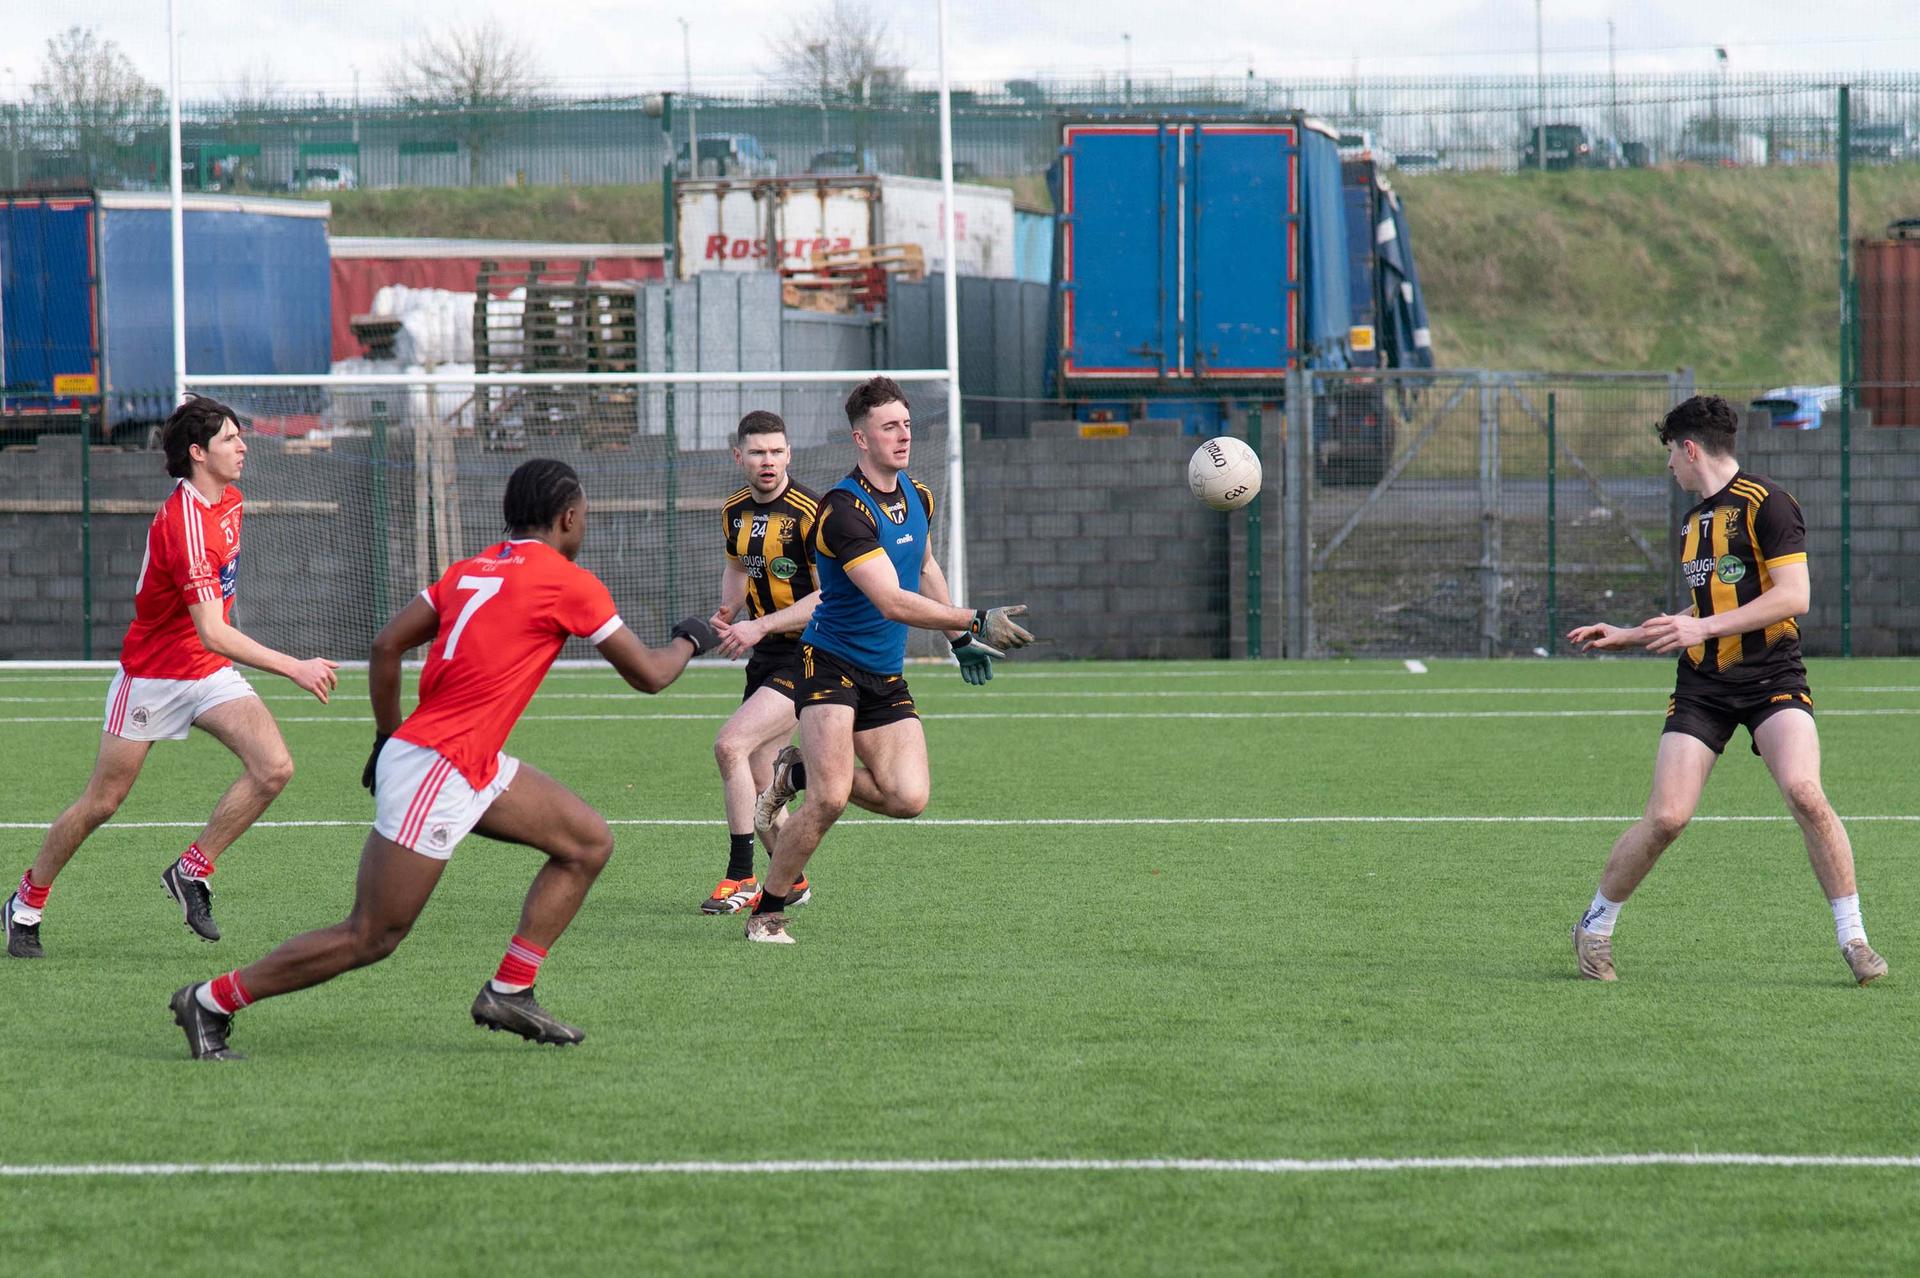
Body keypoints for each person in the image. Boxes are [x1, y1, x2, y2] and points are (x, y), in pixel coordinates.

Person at [171, 459, 719, 1059]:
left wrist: (386, 739)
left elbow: (386, 645)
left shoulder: (468, 570)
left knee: (587, 842)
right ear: (567, 516)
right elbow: (650, 675)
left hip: (462, 761)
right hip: (439, 765)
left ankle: (510, 989)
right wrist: (691, 636)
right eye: (583, 513)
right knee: (372, 934)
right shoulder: (568, 581)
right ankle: (210, 1001)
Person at [1566, 394, 1887, 986]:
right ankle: (1594, 926)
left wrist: (1702, 627)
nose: (1669, 467)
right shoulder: (1694, 523)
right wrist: (1632, 634)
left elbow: (1795, 596)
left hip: (1772, 678)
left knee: (1805, 792)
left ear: (1690, 449)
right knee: (1666, 818)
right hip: (1703, 686)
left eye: (1669, 453)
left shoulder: (1769, 504)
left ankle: (1856, 939)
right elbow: (1710, 608)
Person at [5, 396, 338, 960]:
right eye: (230, 438)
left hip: (207, 672)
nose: (243, 446)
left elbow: (212, 629)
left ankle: (191, 872)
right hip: (154, 676)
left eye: (239, 436)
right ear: (197, 453)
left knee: (274, 767)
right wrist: (293, 666)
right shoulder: (184, 523)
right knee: (102, 802)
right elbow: (213, 629)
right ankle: (24, 903)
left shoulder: (230, 500)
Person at [740, 377, 1034, 945]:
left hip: (884, 670)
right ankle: (767, 910)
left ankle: (792, 771)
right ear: (861, 438)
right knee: (828, 801)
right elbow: (890, 599)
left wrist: (958, 638)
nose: (903, 435)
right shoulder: (843, 510)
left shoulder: (918, 496)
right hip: (828, 666)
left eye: (906, 424)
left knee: (908, 798)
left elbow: (923, 569)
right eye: (889, 427)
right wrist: (973, 618)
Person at [701, 411, 822, 915]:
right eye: (757, 452)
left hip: (810, 652)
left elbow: (827, 597)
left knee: (730, 745)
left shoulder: (811, 512)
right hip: (766, 655)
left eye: (776, 451)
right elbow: (736, 566)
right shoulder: (733, 511)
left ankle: (741, 875)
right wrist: (730, 612)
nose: (767, 461)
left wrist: (760, 625)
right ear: (739, 457)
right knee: (758, 774)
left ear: (789, 454)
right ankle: (789, 880)